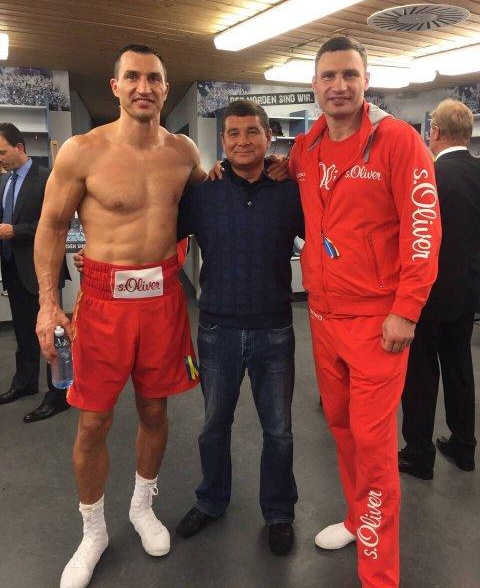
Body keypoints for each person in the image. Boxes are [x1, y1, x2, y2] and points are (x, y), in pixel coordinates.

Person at [34, 44, 206, 588]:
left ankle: (141, 505)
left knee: (155, 412)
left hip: (163, 300)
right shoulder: (83, 152)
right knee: (93, 421)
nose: (143, 87)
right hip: (103, 304)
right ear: (115, 87)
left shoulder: (183, 152)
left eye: (153, 78)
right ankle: (93, 531)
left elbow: (215, 200)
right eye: (132, 77)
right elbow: (51, 226)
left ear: (165, 87)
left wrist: (267, 169)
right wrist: (46, 303)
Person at [289, 36, 441, 588]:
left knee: (375, 450)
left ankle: (379, 576)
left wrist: (407, 309)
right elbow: (282, 181)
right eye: (329, 76)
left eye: (349, 75)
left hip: (379, 326)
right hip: (323, 319)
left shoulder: (398, 141)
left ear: (366, 81)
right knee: (341, 428)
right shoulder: (305, 150)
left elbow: (423, 229)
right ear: (314, 85)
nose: (339, 86)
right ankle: (358, 519)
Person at [174, 99, 303, 556]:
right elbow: (158, 235)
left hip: (275, 330)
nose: (243, 141)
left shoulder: (291, 192)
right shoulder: (203, 194)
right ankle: (211, 501)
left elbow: (330, 237)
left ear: (269, 137)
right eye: (233, 133)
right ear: (223, 141)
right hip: (216, 331)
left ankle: (279, 512)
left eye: (252, 132)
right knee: (213, 426)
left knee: (279, 431)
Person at [400, 99, 479, 479]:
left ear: (434, 132)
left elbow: (414, 236)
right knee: (460, 366)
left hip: (427, 293)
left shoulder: (428, 176)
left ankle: (419, 453)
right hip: (468, 294)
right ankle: (464, 447)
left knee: (421, 373)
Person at [0, 123, 69, 422]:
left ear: (20, 147)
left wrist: (15, 231)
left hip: (43, 269)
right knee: (24, 331)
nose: (0, 159)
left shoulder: (48, 178)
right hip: (13, 267)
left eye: (2, 152)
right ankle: (25, 383)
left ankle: (58, 395)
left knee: (52, 333)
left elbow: (55, 223)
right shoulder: (4, 182)